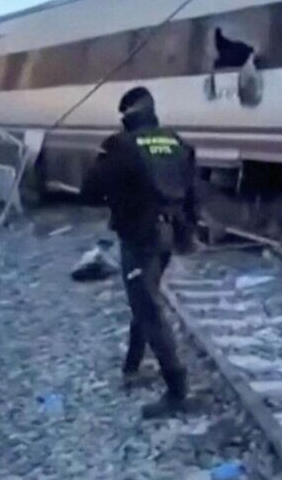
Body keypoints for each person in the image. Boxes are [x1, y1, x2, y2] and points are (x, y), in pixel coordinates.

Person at [81, 86, 198, 419]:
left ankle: (177, 390)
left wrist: (113, 193)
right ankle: (132, 366)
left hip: (139, 236)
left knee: (146, 306)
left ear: (126, 116)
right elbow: (193, 191)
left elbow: (88, 193)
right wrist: (189, 233)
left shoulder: (119, 147)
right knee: (144, 296)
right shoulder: (177, 142)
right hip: (170, 234)